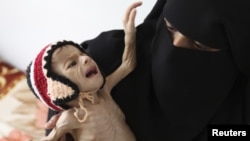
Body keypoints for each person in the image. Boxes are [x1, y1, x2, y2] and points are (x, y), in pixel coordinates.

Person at [45, 0, 250, 140]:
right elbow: (58, 88)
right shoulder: (106, 56)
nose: (175, 45)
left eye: (198, 45)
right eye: (169, 28)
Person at [26, 1, 142, 141]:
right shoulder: (71, 117)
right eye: (72, 64)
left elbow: (128, 65)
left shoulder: (104, 92)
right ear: (59, 87)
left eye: (82, 54)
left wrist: (130, 34)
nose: (86, 59)